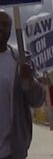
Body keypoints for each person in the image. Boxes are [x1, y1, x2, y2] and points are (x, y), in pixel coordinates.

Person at [0, 10, 45, 159]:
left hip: (11, 151)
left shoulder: (21, 60)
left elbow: (37, 101)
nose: (1, 27)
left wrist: (28, 81)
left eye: (5, 24)